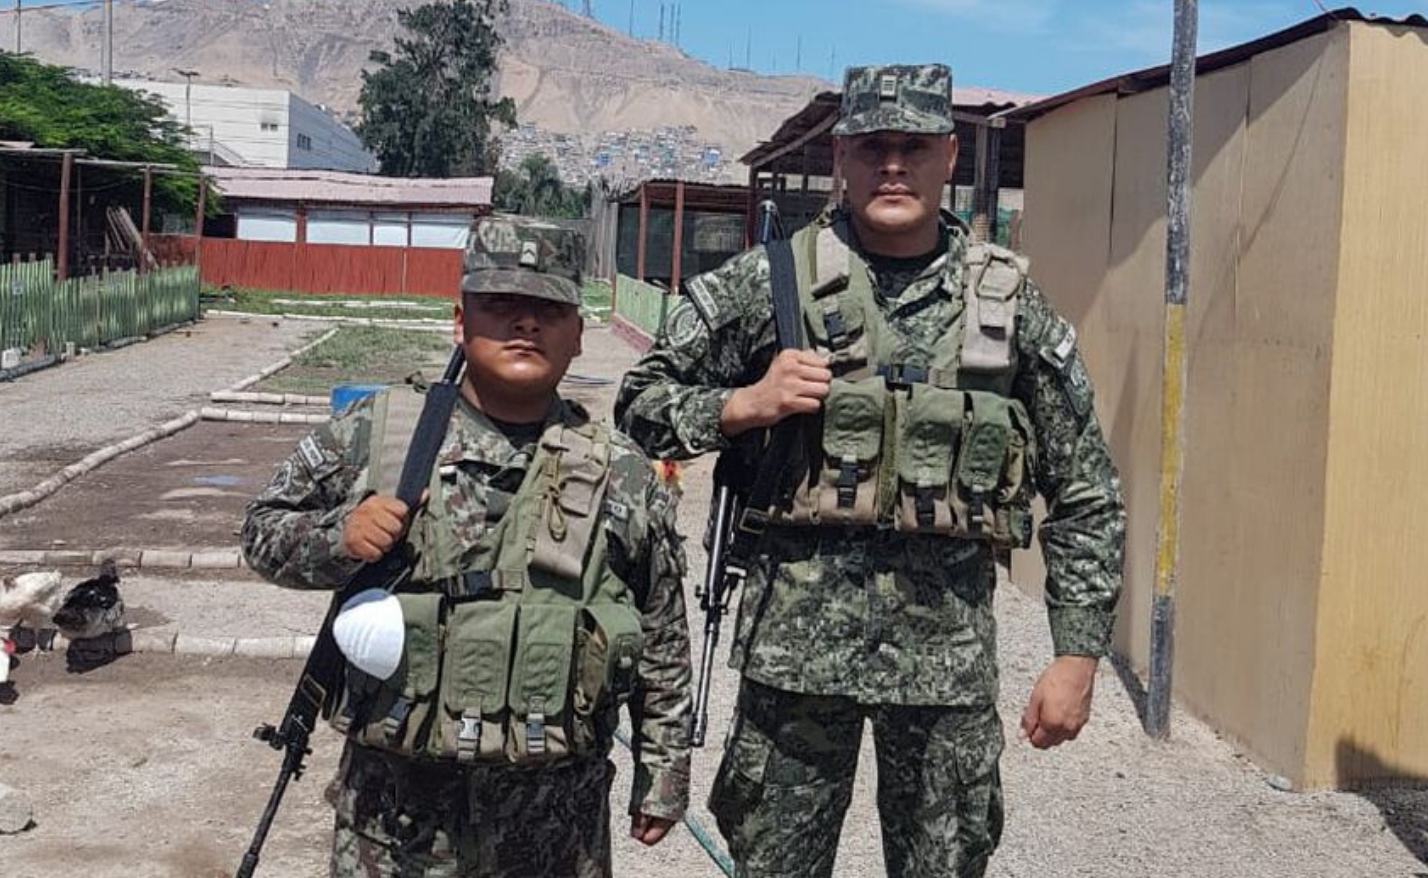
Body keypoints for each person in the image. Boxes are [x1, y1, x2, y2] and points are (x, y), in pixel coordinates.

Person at [614, 63, 1126, 878]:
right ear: (841, 157)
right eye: (873, 147)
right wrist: (743, 404)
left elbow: (1087, 491)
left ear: (948, 156)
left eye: (914, 147)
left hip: (945, 669)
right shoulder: (771, 281)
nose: (894, 166)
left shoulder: (1004, 304)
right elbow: (640, 401)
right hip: (794, 662)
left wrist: (1077, 654)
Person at [242, 216, 691, 877]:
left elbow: (662, 629)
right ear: (460, 321)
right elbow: (260, 530)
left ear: (577, 334)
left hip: (555, 832)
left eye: (549, 310)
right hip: (395, 829)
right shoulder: (381, 435)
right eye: (501, 303)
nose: (526, 323)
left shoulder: (622, 471)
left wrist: (663, 773)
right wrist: (339, 536)